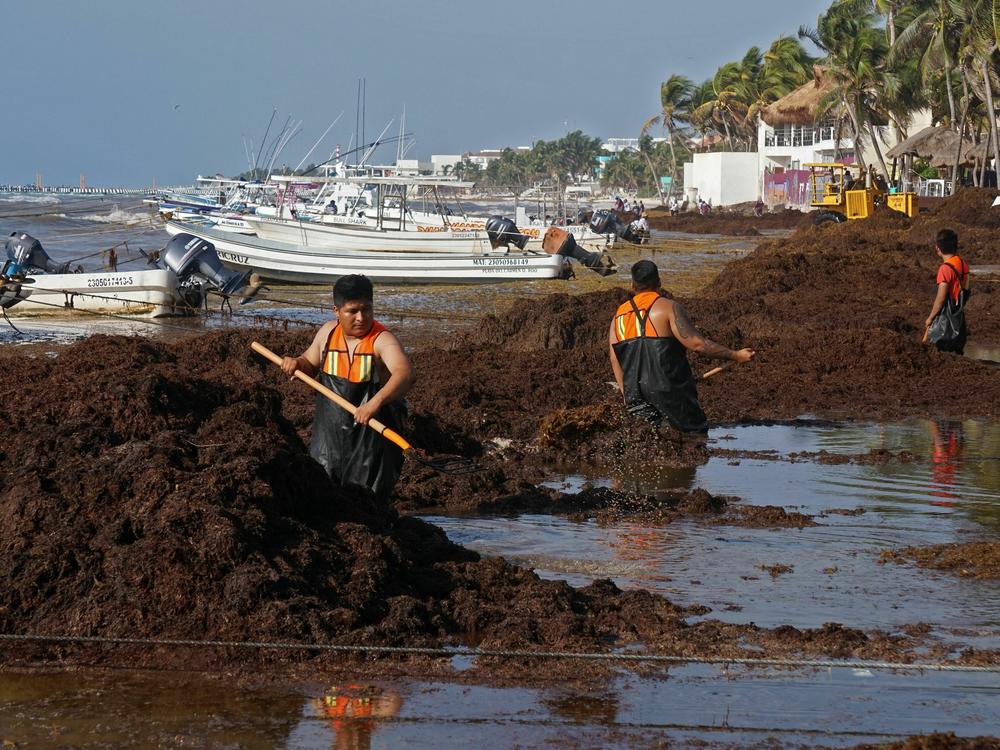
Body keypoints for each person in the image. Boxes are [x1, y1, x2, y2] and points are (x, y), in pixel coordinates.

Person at [281, 274, 414, 501]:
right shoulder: (327, 333)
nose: (361, 317)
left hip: (370, 445)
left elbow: (405, 374)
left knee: (368, 505)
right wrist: (295, 363)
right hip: (328, 441)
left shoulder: (382, 340)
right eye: (353, 311)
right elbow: (308, 363)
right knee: (324, 499)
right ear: (336, 311)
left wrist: (374, 403)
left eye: (367, 309)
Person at [609, 260, 754, 433]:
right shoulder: (668, 307)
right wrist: (735, 355)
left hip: (635, 394)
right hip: (671, 394)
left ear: (632, 285)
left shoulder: (618, 316)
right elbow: (697, 344)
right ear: (659, 282)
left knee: (648, 443)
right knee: (694, 440)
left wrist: (627, 395)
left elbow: (614, 359)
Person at [924, 228, 971, 355]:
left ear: (938, 248)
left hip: (946, 320)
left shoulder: (945, 269)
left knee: (942, 352)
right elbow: (966, 289)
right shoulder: (963, 264)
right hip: (959, 317)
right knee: (957, 353)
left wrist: (930, 318)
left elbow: (941, 299)